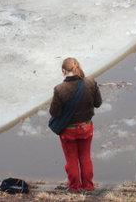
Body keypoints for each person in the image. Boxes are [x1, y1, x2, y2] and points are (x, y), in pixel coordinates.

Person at [49, 57, 102, 192]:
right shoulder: (90, 82)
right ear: (78, 66)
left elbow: (54, 113)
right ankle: (88, 186)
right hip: (86, 128)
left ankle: (74, 187)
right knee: (85, 157)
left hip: (68, 131)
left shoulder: (59, 89)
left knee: (71, 159)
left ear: (63, 71)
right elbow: (98, 103)